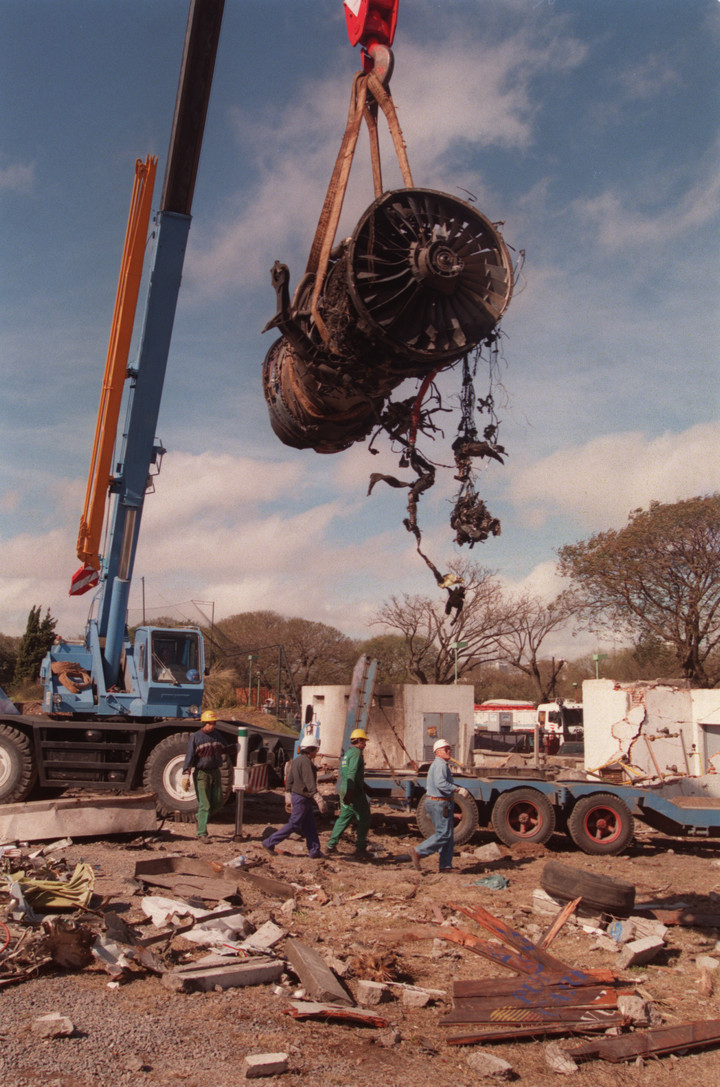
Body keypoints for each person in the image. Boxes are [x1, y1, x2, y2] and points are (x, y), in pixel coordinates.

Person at [410, 738, 471, 873]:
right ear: (438, 752)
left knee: (447, 835)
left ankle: (445, 866)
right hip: (439, 803)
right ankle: (418, 851)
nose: (449, 751)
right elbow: (441, 784)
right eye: (446, 749)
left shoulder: (440, 764)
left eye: (449, 749)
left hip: (438, 802)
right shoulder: (440, 765)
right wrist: (457, 789)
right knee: (444, 834)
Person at [263, 735, 327, 858]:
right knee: (294, 823)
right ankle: (269, 842)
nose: (316, 752)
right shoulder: (307, 763)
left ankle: (314, 851)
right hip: (302, 798)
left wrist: (288, 794)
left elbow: (290, 779)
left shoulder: (297, 760)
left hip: (299, 796)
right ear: (311, 749)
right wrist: (319, 799)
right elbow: (309, 783)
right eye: (316, 750)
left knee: (310, 825)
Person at [182, 710, 232, 840]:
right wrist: (185, 774)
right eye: (210, 723)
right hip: (202, 774)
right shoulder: (196, 737)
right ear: (204, 723)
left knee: (219, 801)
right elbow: (190, 756)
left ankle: (199, 817)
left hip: (215, 771)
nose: (212, 725)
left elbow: (225, 748)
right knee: (205, 804)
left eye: (213, 723)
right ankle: (202, 834)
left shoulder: (217, 735)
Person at [326, 728, 371, 858]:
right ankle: (360, 848)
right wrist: (351, 792)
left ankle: (330, 845)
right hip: (353, 791)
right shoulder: (357, 753)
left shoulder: (348, 754)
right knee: (365, 817)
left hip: (344, 788)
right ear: (359, 740)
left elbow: (349, 774)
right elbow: (352, 773)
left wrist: (365, 787)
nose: (365, 744)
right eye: (364, 741)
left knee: (344, 817)